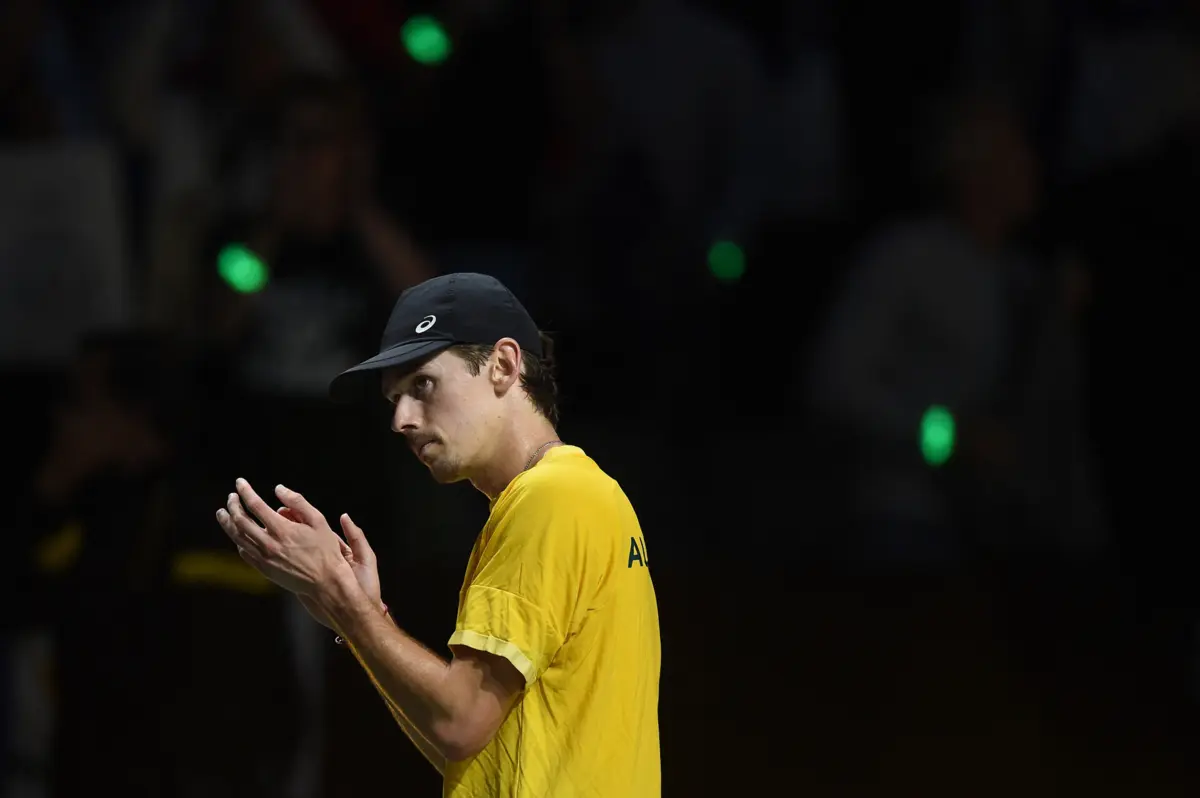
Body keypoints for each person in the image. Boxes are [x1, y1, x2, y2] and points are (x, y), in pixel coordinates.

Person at [215, 272, 661, 797]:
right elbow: (469, 752)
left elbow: (458, 724)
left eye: (422, 385)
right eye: (394, 399)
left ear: (503, 365)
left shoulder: (550, 498)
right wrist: (358, 611)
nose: (400, 420)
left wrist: (344, 602)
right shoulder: (575, 494)